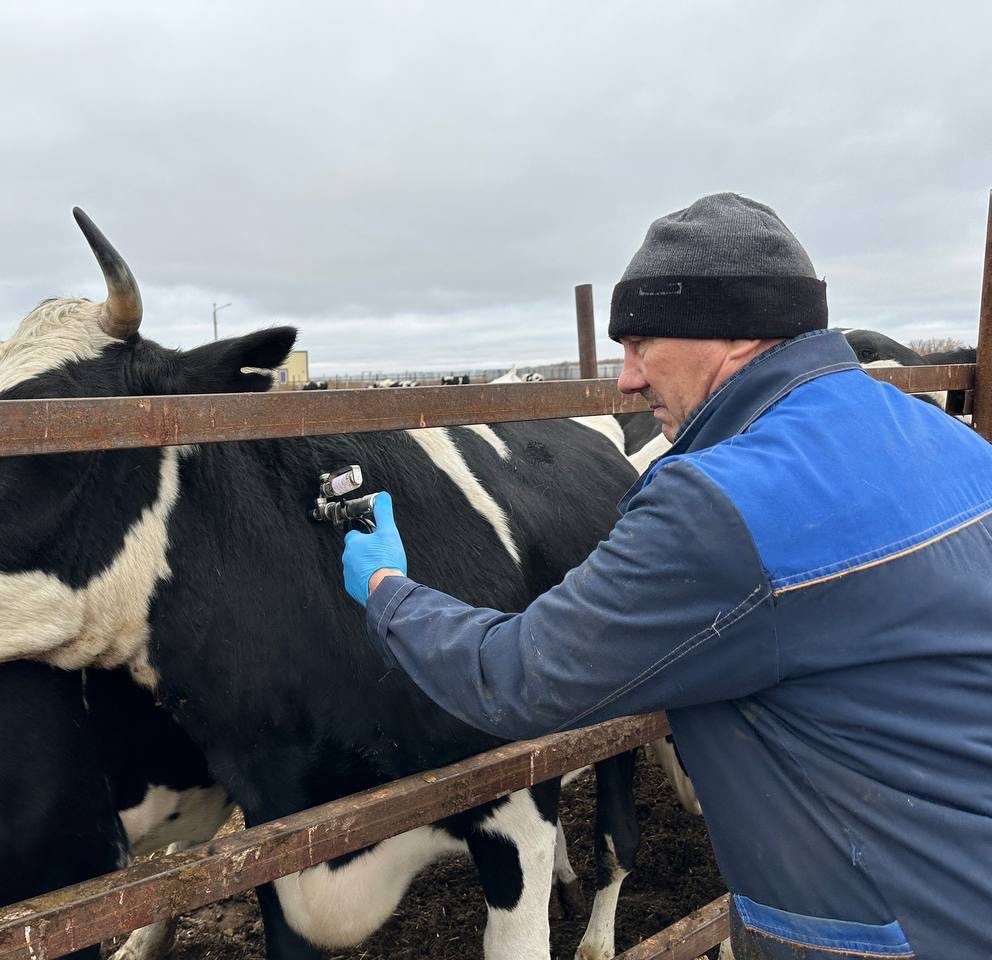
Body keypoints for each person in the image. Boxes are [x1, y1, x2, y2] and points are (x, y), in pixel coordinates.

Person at [341, 193, 992, 959]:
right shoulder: (945, 439)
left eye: (642, 343)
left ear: (739, 330)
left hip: (894, 929)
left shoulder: (721, 504)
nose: (625, 381)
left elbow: (516, 677)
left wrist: (388, 592)